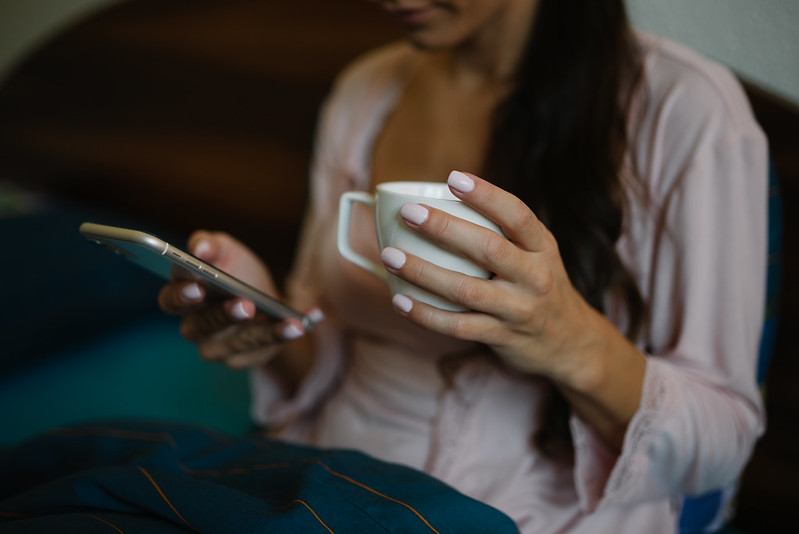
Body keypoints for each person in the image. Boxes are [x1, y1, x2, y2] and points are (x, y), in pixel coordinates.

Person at [159, 0, 768, 532]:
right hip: (318, 487)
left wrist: (569, 341)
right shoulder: (365, 91)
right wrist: (268, 323)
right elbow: (323, 364)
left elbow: (721, 445)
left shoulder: (688, 114)